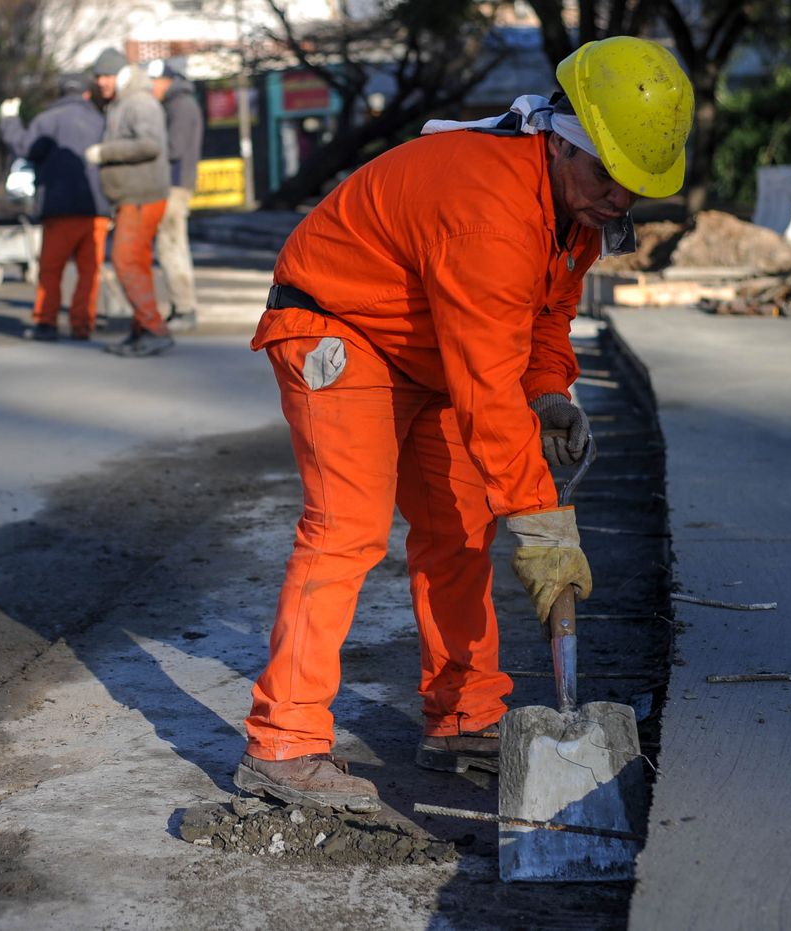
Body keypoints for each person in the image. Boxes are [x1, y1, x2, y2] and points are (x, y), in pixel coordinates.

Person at [231, 37, 695, 812]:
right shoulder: (492, 211)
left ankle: (463, 716)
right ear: (561, 140)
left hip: (423, 347)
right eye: (609, 178)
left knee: (461, 523)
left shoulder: (574, 211)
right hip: (336, 326)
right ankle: (283, 741)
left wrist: (548, 391)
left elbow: (546, 316)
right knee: (346, 527)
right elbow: (485, 390)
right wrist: (546, 525)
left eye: (634, 189)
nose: (620, 201)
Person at [0, 73, 109, 341]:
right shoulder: (100, 121)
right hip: (96, 209)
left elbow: (25, 147)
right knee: (89, 272)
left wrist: (9, 121)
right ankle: (82, 325)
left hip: (59, 210)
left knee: (51, 270)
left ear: (61, 93)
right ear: (86, 94)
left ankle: (46, 323)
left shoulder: (47, 121)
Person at [85, 48, 174, 358]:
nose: (101, 82)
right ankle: (141, 329)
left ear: (122, 73)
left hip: (141, 197)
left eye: (106, 76)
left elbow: (150, 145)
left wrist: (105, 153)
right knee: (137, 263)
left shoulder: (139, 103)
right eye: (98, 77)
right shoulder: (122, 103)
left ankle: (154, 329)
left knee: (124, 261)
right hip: (132, 197)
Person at [148, 57, 204, 331]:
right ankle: (180, 307)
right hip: (174, 183)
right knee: (170, 246)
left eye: (154, 82)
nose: (151, 87)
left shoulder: (180, 106)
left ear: (166, 81)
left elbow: (174, 148)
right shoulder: (177, 103)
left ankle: (184, 308)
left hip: (175, 185)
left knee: (171, 247)